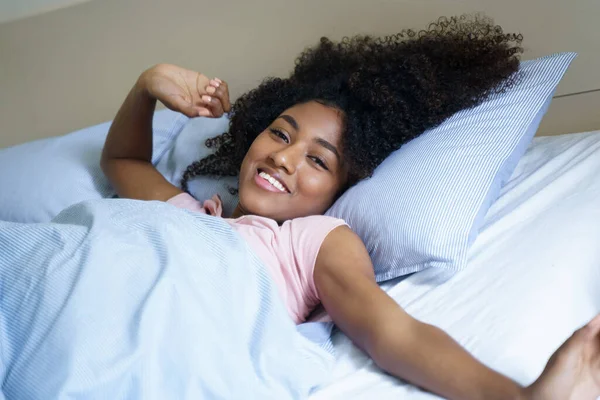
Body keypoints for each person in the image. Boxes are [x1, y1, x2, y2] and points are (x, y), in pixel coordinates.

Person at [101, 15, 600, 400]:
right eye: (279, 133)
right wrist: (148, 84)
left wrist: (520, 396)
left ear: (341, 189)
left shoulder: (310, 241)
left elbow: (392, 332)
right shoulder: (187, 213)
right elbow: (121, 160)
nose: (283, 156)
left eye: (318, 159)